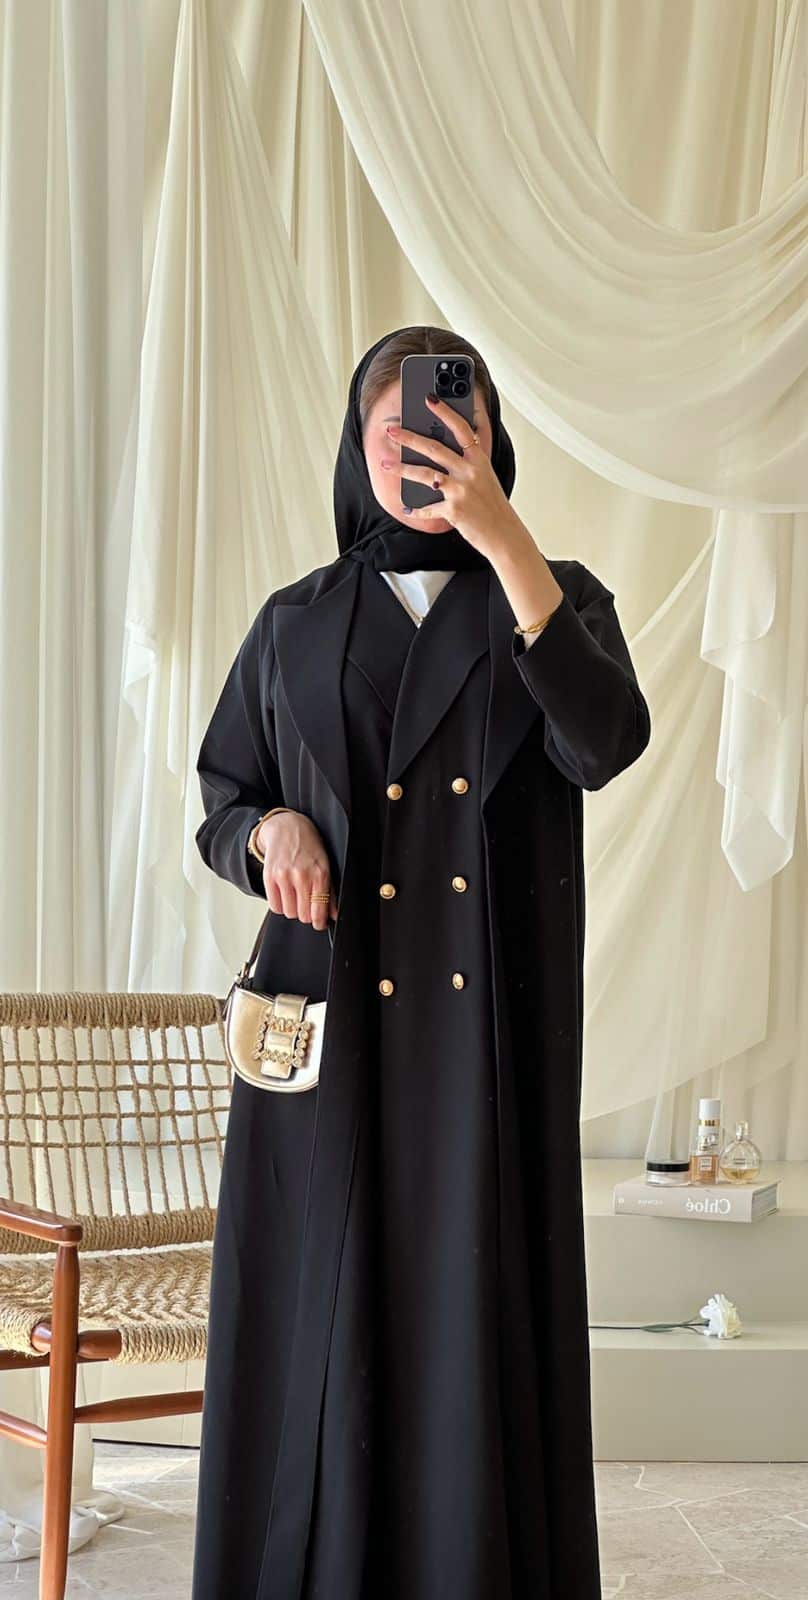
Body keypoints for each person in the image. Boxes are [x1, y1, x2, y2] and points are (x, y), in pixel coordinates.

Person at [190, 324, 651, 1600]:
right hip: (323, 1025)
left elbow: (605, 743)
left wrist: (503, 540)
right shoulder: (295, 620)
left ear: (490, 438)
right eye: (394, 430)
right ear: (358, 447)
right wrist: (268, 833)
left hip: (483, 1030)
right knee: (316, 1314)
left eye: (453, 424)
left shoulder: (553, 597)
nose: (422, 449)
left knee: (468, 1308)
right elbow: (223, 798)